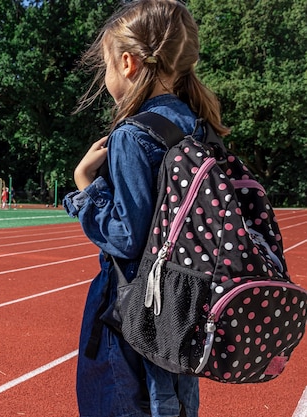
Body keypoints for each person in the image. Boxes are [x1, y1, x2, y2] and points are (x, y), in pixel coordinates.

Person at [62, 1, 230, 416]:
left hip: (133, 316)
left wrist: (85, 188)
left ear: (128, 63)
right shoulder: (201, 127)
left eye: (105, 67)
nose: (105, 78)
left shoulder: (133, 135)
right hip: (183, 313)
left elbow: (126, 237)